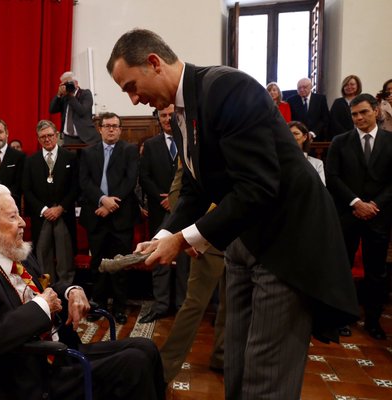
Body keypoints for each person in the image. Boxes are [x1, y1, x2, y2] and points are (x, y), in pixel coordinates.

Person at [107, 28, 359, 399]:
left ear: (154, 63)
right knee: (236, 365)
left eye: (130, 85)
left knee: (265, 373)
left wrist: (184, 239)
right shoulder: (179, 108)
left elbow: (258, 187)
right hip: (244, 240)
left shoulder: (227, 88)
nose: (132, 98)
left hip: (287, 244)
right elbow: (195, 185)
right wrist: (162, 236)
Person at [0, 182, 165, 400]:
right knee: (133, 363)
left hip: (60, 351)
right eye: (13, 217)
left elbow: (47, 289)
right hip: (31, 374)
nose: (23, 223)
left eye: (19, 215)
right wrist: (42, 306)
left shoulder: (17, 251)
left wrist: (72, 290)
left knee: (146, 347)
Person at [325, 93, 392, 340]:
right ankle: (342, 318)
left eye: (363, 112)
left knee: (377, 272)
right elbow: (332, 177)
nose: (359, 117)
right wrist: (355, 203)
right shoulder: (340, 142)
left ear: (376, 111)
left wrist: (374, 205)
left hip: (379, 215)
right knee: (342, 268)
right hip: (348, 213)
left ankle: (373, 321)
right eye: (354, 114)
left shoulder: (390, 141)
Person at [159, 163, 226, 382]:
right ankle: (163, 368)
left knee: (232, 306)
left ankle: (222, 357)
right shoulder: (196, 146)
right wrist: (186, 235)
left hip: (243, 241)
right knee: (194, 305)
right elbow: (179, 193)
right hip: (206, 239)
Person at [78, 112, 139, 325]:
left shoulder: (129, 150)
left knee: (120, 264)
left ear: (120, 129)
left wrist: (111, 205)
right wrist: (102, 199)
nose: (111, 129)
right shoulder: (88, 153)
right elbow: (84, 181)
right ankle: (100, 305)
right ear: (100, 129)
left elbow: (130, 180)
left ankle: (120, 307)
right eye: (107, 126)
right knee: (98, 264)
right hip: (96, 216)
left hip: (121, 217)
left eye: (115, 126)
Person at [138, 104, 187, 323]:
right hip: (159, 210)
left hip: (186, 210)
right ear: (158, 118)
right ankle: (160, 305)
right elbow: (144, 176)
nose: (167, 119)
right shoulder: (150, 145)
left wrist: (175, 199)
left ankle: (182, 305)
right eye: (163, 115)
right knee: (158, 258)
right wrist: (162, 199)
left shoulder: (189, 142)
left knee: (185, 260)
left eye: (171, 115)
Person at [22, 120, 78, 284]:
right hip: (42, 216)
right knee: (43, 256)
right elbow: (27, 189)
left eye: (50, 135)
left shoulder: (70, 157)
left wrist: (61, 208)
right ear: (38, 139)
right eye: (43, 137)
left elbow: (75, 187)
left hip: (63, 215)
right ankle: (48, 293)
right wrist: (44, 209)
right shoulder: (31, 161)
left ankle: (66, 289)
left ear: (57, 135)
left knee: (65, 257)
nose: (47, 139)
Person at [49, 71, 100, 146]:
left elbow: (82, 111)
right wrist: (58, 95)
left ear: (76, 83)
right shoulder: (64, 97)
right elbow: (52, 110)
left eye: (68, 84)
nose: (66, 87)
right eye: (64, 84)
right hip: (68, 138)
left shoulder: (85, 93)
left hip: (85, 138)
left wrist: (70, 96)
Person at [288, 121, 325, 185]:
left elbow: (321, 187)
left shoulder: (317, 163)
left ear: (305, 137)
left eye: (296, 133)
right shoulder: (280, 161)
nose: (292, 137)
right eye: (289, 134)